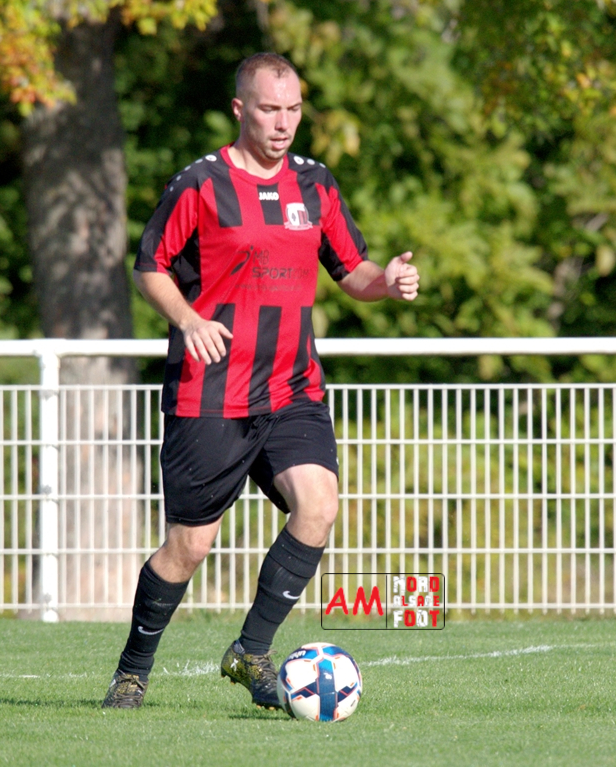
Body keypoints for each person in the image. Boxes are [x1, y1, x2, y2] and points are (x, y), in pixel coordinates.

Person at [102, 52, 419, 710]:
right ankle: (132, 672)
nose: (283, 123)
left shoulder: (316, 183)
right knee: (189, 547)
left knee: (319, 505)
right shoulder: (200, 183)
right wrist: (188, 319)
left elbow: (352, 271)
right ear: (240, 109)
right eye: (270, 109)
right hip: (211, 391)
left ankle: (251, 652)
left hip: (291, 386)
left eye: (293, 109)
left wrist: (386, 283)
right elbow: (149, 267)